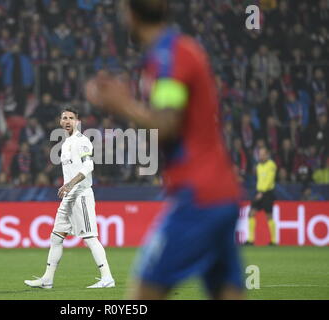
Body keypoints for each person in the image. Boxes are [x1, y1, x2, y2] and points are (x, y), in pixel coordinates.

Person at [85, 0, 243, 299]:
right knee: (227, 292)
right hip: (220, 193)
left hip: (198, 197)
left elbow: (168, 123)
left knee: (141, 296)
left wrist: (122, 104)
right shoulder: (176, 51)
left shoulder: (170, 56)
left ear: (129, 13)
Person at [24, 107, 115, 289]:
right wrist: (68, 187)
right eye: (64, 118)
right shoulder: (65, 144)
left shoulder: (81, 141)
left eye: (71, 118)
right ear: (60, 121)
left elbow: (89, 165)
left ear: (77, 121)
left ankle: (107, 278)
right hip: (68, 197)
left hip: (81, 194)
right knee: (56, 237)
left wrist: (70, 184)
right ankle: (47, 279)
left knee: (90, 237)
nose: (67, 121)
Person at [247, 147, 277, 246]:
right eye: (260, 154)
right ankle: (250, 240)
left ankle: (274, 241)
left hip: (267, 193)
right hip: (259, 192)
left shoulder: (271, 165)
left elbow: (269, 180)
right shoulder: (259, 166)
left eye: (263, 154)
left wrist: (262, 192)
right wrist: (258, 191)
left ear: (267, 155)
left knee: (269, 216)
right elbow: (260, 180)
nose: (261, 156)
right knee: (251, 213)